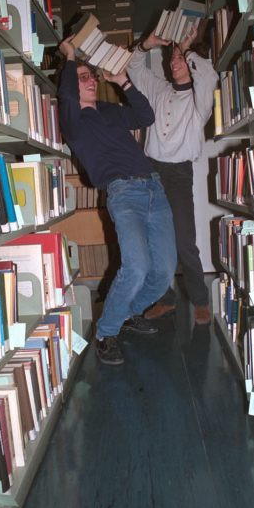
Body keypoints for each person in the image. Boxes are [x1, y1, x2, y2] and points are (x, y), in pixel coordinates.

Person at [57, 37, 177, 365]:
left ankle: (128, 312)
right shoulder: (73, 122)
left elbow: (145, 116)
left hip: (154, 188)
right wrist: (70, 56)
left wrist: (122, 81)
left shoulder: (110, 110)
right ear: (70, 83)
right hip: (124, 195)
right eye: (82, 77)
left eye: (91, 75)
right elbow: (66, 94)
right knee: (136, 266)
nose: (90, 80)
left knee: (164, 271)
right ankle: (106, 332)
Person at [127, 25, 218, 325]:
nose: (174, 62)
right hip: (151, 171)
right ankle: (164, 298)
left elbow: (209, 75)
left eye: (180, 58)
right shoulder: (159, 89)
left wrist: (187, 45)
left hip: (179, 174)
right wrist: (147, 44)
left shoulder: (199, 100)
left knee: (184, 240)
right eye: (173, 57)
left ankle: (200, 299)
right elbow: (133, 66)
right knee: (155, 239)